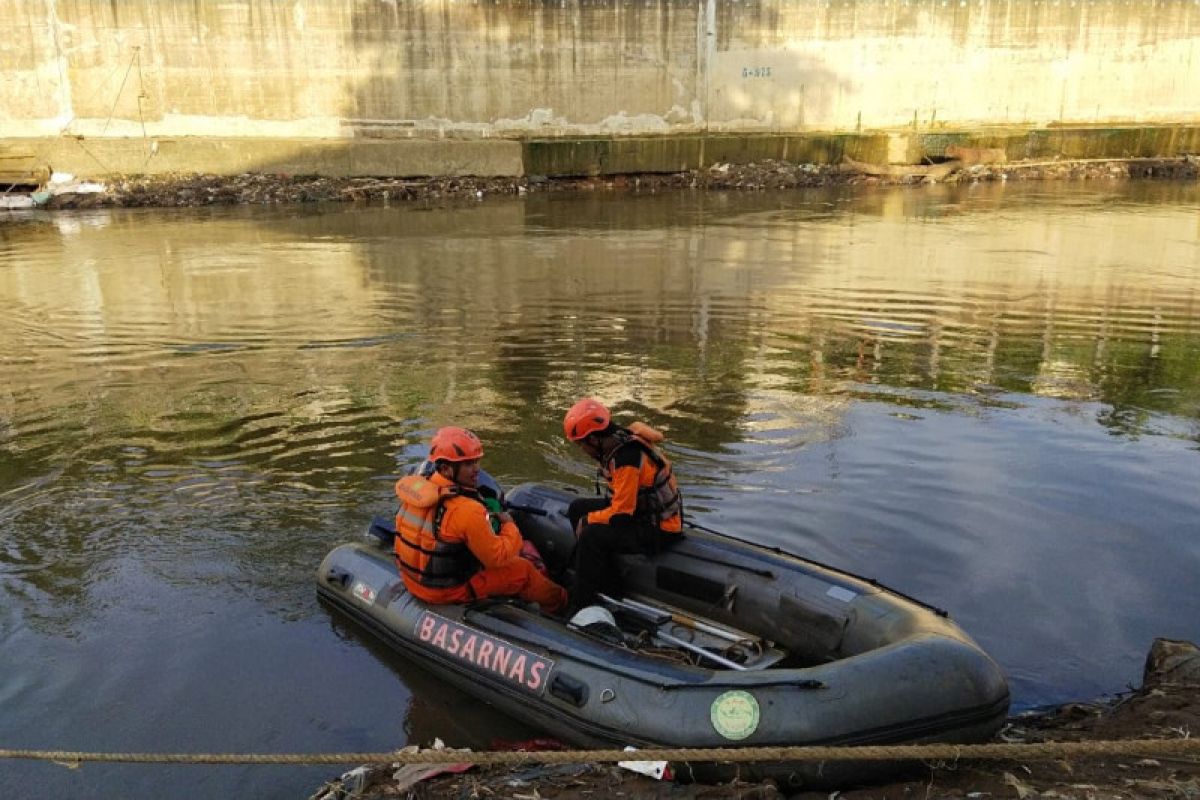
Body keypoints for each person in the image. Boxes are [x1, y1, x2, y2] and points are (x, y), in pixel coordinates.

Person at [393, 426, 567, 614]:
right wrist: (509, 524)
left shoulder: (415, 492)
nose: (476, 469)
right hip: (446, 592)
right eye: (468, 464)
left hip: (413, 580)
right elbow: (498, 558)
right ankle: (562, 606)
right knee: (523, 570)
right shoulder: (467, 510)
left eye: (476, 461)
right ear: (446, 468)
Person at [562, 398, 684, 611]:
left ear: (593, 439)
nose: (582, 450)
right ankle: (607, 580)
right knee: (577, 508)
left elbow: (621, 515)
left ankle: (582, 605)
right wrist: (586, 517)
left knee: (591, 535)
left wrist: (589, 520)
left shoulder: (627, 458)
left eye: (581, 444)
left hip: (658, 528)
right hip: (641, 514)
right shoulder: (621, 439)